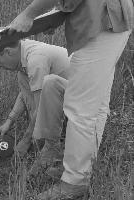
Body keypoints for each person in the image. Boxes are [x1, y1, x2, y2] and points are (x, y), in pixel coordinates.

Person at [8, 0, 134, 198]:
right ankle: (80, 170)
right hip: (108, 19)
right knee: (96, 105)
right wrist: (58, 15)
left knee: (79, 108)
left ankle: (74, 183)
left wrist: (28, 14)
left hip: (101, 22)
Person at [0, 35, 70, 157]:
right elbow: (25, 94)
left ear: (8, 51)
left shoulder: (35, 60)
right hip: (63, 96)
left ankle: (53, 145)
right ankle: (41, 136)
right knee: (22, 78)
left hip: (80, 101)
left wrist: (25, 141)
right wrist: (9, 121)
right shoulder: (23, 58)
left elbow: (41, 107)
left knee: (39, 105)